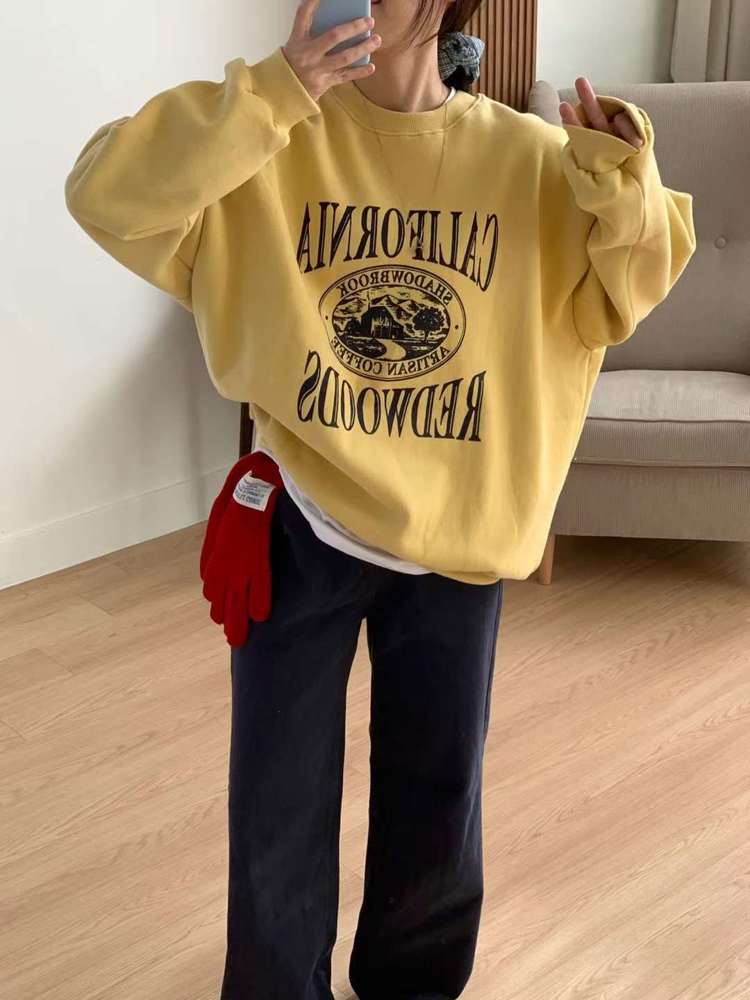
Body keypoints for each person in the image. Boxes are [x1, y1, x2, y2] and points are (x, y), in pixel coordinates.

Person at [63, 1, 697, 997]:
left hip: (460, 534)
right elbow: (105, 194)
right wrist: (273, 94)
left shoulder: (531, 159)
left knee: (437, 792)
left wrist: (624, 173)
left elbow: (634, 286)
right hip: (301, 520)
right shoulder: (268, 138)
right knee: (277, 794)